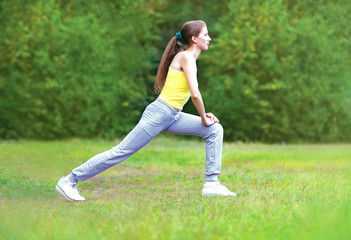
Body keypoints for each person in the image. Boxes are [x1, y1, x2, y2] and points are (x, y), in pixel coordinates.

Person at [56, 20, 237, 201]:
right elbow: (195, 94)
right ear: (194, 38)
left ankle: (212, 183)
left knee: (214, 129)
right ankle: (69, 180)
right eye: (206, 35)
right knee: (121, 152)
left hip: (173, 115)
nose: (209, 38)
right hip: (160, 114)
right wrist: (203, 118)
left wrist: (205, 118)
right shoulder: (186, 57)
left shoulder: (189, 58)